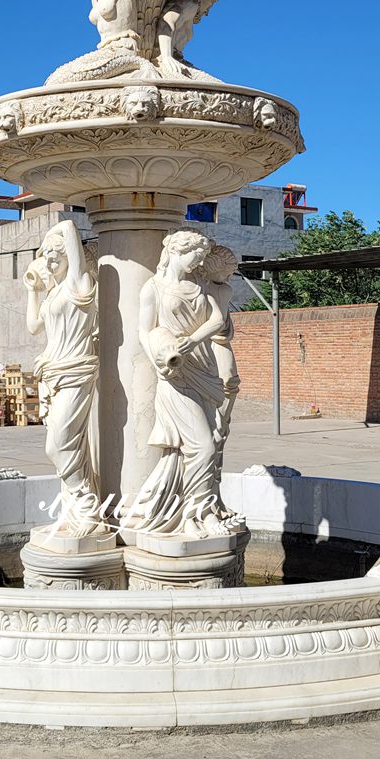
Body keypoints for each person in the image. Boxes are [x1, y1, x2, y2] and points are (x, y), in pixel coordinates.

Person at [128, 230, 236, 537]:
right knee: (201, 446)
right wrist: (161, 362)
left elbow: (216, 321)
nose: (199, 262)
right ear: (177, 250)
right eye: (196, 256)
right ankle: (196, 512)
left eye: (202, 257)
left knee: (211, 441)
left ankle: (199, 510)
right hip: (175, 376)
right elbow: (144, 331)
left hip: (204, 368)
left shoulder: (201, 284)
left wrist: (192, 340)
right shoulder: (153, 288)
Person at [25, 220, 102, 535]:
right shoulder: (55, 293)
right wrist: (32, 290)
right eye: (47, 257)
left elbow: (70, 227)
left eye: (56, 255)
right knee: (66, 444)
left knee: (57, 445)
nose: (51, 261)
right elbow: (33, 327)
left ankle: (87, 506)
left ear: (73, 257)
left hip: (75, 371)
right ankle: (77, 507)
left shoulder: (78, 284)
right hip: (53, 374)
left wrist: (50, 236)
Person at [198, 245, 241, 519]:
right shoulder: (208, 290)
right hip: (211, 354)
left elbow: (224, 329)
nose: (231, 275)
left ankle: (211, 493)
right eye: (228, 270)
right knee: (217, 424)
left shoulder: (216, 290)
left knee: (226, 393)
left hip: (213, 351)